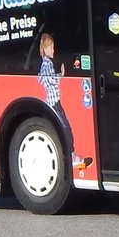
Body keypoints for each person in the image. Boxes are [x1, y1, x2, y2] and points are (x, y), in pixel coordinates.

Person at [37, 33, 92, 170]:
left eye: (53, 47)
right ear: (44, 49)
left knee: (63, 126)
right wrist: (60, 75)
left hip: (54, 101)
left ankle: (69, 155)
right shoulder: (47, 64)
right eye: (50, 47)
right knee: (65, 127)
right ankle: (71, 156)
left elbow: (43, 78)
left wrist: (58, 75)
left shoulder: (47, 64)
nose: (53, 50)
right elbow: (46, 79)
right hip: (53, 102)